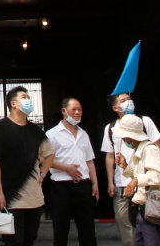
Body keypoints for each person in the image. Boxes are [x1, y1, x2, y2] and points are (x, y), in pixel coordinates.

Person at [0, 86, 54, 246]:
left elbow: (50, 153)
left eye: (28, 97)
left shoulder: (35, 131)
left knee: (30, 239)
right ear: (14, 104)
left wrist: (43, 174)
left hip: (35, 200)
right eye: (24, 97)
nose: (28, 100)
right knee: (14, 242)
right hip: (10, 198)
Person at [102, 92, 160, 246]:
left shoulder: (145, 123)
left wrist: (149, 171)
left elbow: (157, 151)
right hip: (123, 181)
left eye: (129, 99)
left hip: (145, 182)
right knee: (124, 220)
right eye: (123, 100)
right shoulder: (110, 128)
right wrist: (112, 180)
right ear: (115, 107)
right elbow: (109, 156)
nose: (128, 102)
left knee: (148, 221)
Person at [47, 98, 99, 246]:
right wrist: (66, 168)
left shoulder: (84, 134)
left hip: (83, 186)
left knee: (87, 228)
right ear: (64, 111)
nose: (77, 113)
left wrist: (94, 184)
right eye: (73, 109)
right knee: (61, 228)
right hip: (61, 187)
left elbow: (89, 160)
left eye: (79, 110)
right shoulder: (52, 134)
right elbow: (44, 159)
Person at [115, 115, 160, 246]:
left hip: (154, 210)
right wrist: (126, 168)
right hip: (143, 210)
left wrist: (136, 180)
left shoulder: (150, 149)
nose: (123, 139)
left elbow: (159, 175)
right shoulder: (140, 150)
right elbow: (141, 173)